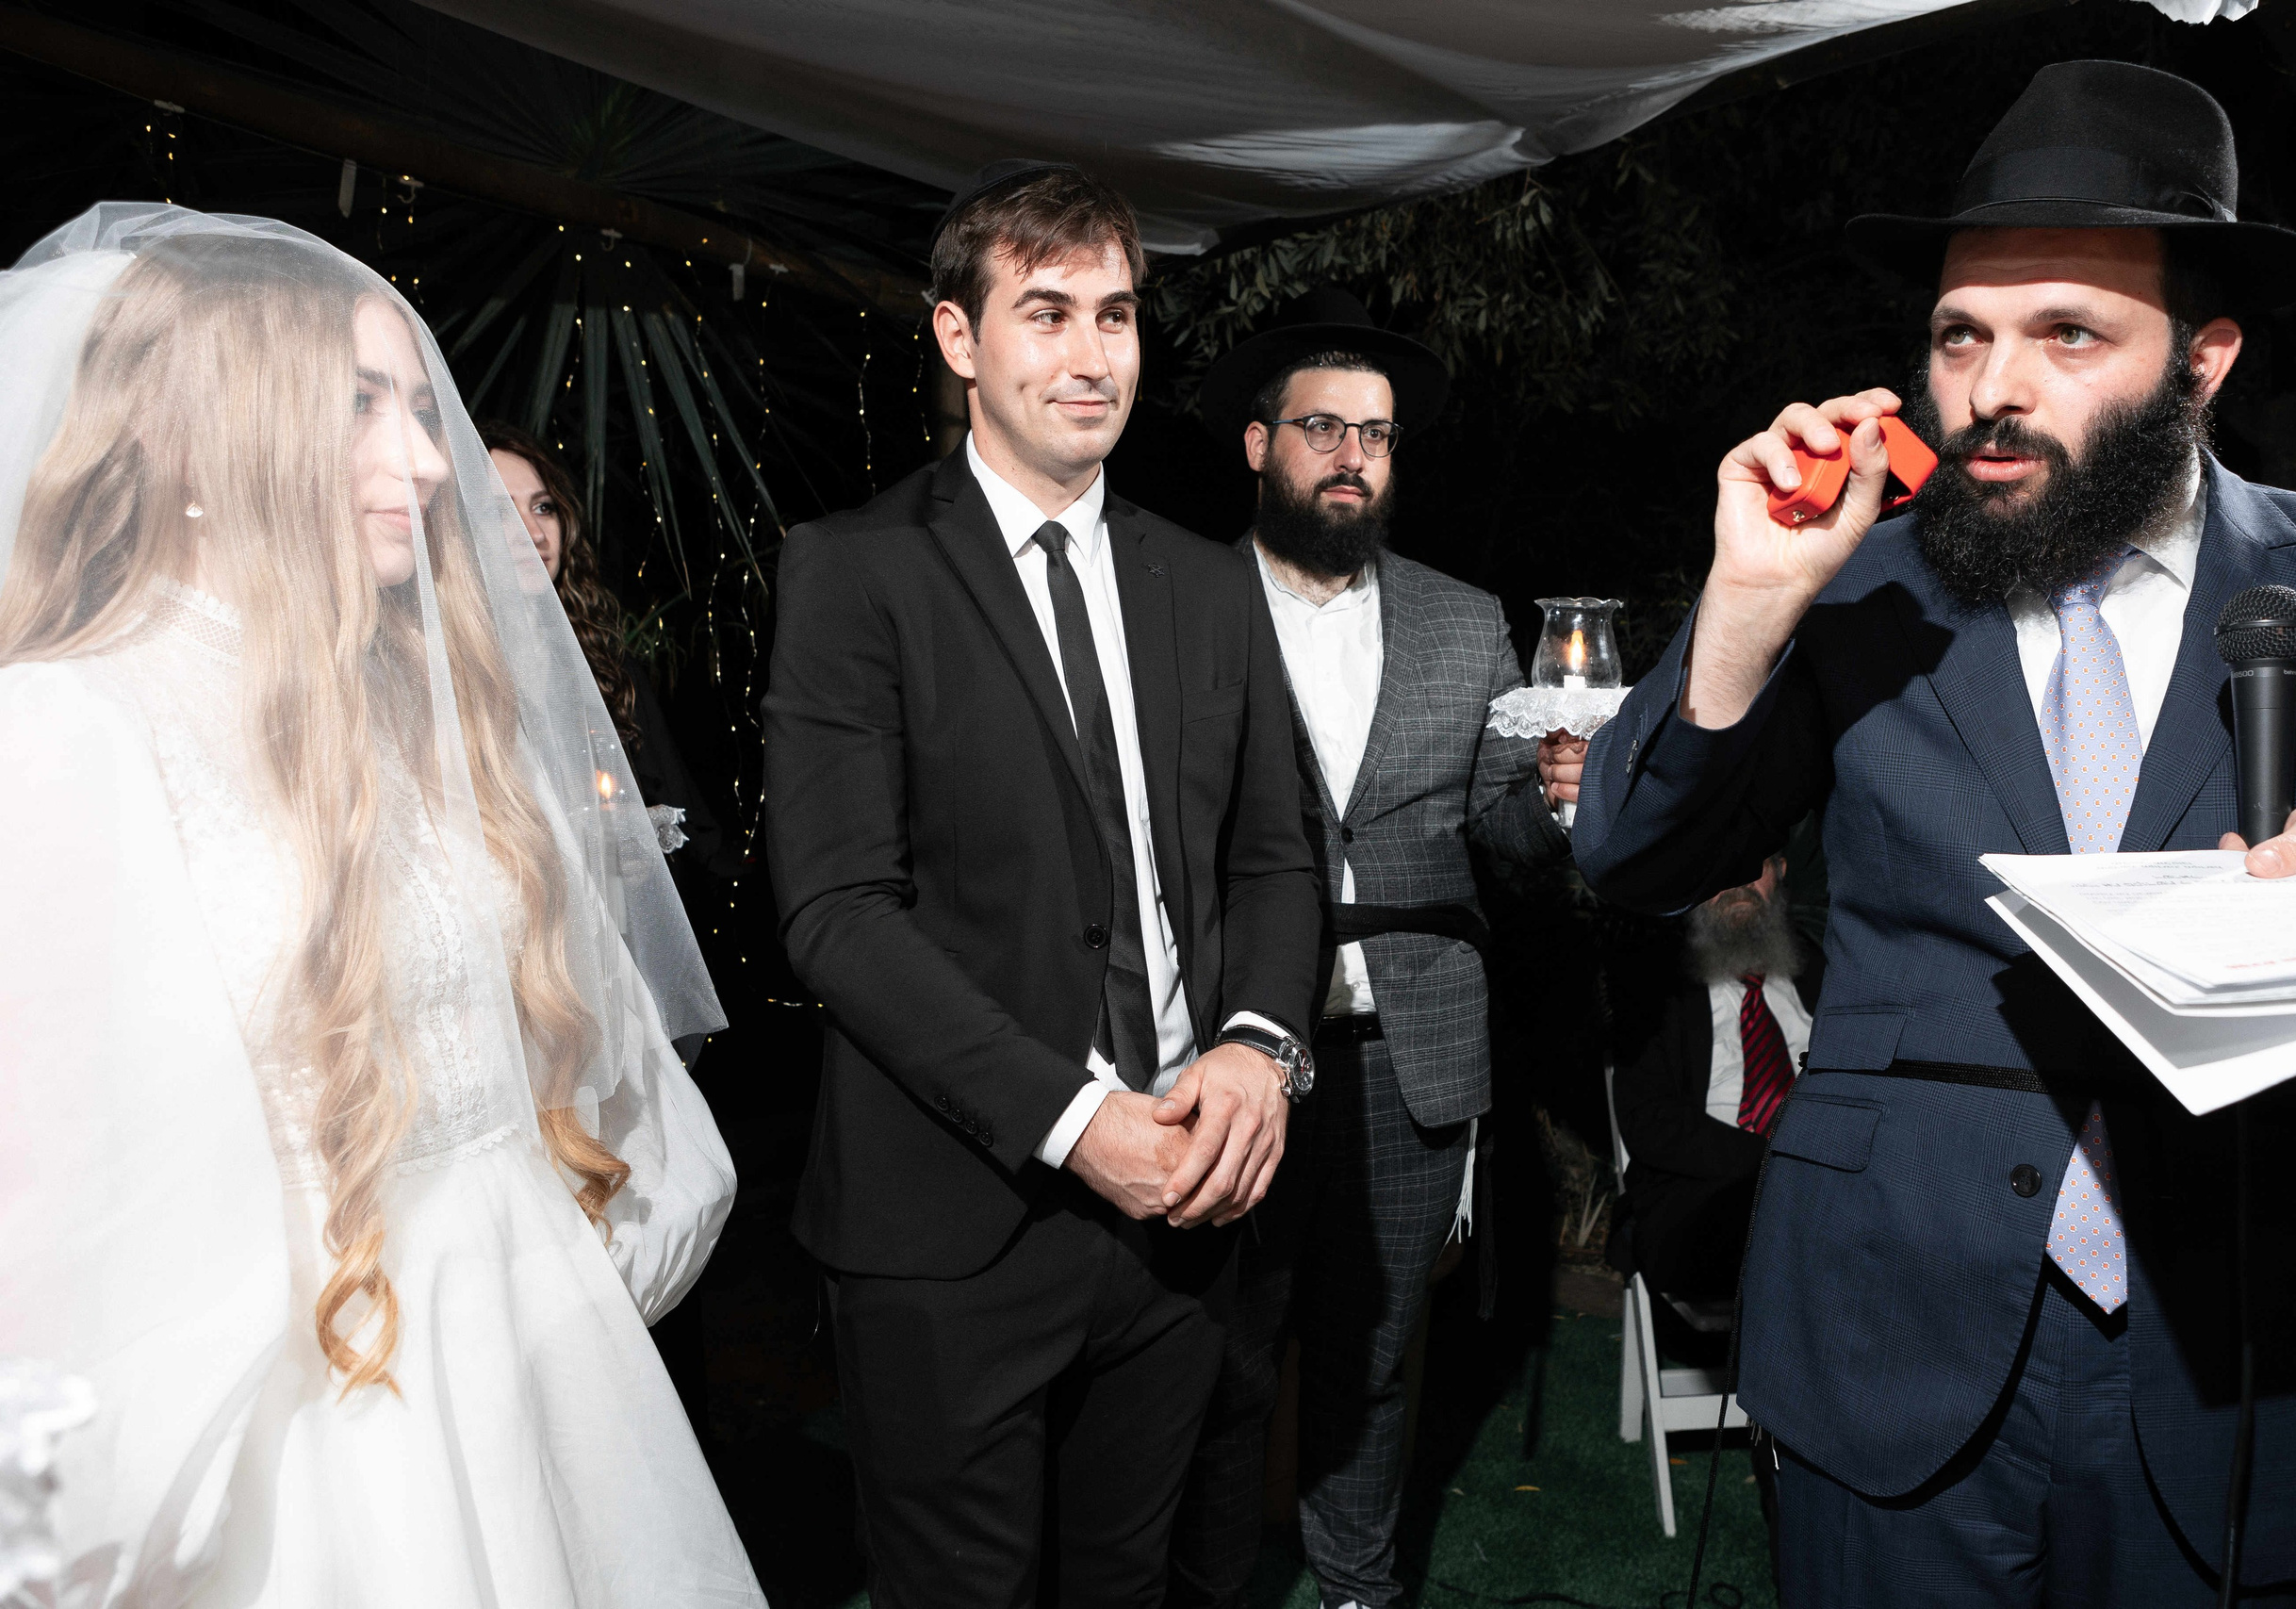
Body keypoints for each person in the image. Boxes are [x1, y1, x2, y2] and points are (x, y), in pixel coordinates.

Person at [1559, 60, 2296, 1605]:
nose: (1993, 386)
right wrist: (1747, 600)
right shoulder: (1852, 586)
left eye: (2068, 333)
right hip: (1895, 1327)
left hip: (2249, 1347)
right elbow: (1630, 854)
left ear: (2204, 359)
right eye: (1962, 334)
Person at [0, 205, 760, 1606]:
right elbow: (50, 1216)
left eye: (419, 408)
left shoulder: (423, 707)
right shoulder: (65, 728)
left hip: (538, 1386)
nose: (424, 459)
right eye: (361, 405)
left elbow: (585, 1064)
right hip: (311, 1448)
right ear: (199, 429)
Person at [761, 162, 1322, 1607]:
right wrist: (1075, 1120)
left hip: (1184, 1209)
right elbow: (837, 913)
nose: (1091, 355)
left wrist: (1257, 1049)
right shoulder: (854, 571)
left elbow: (1275, 853)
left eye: (1116, 315)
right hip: (954, 1225)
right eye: (1048, 312)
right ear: (959, 337)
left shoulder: (1211, 582)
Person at [1169, 288, 1571, 1609]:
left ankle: (1356, 1588)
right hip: (1229, 1049)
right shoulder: (1176, 605)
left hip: (1413, 1052)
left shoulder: (1465, 620)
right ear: (1259, 445)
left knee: (1376, 1353)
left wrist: (1560, 799)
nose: (1354, 456)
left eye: (1378, 435)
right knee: (1222, 1360)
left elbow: (1505, 838)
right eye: (1324, 428)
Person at [480, 421, 737, 883]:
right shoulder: (438, 668)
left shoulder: (603, 662)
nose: (534, 534)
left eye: (543, 507)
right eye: (501, 511)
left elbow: (685, 818)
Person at [1607, 853, 1821, 1314]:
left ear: (1781, 870)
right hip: (1705, 1196)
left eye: (1753, 862)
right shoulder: (1655, 987)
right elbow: (1648, 1119)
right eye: (1718, 868)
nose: (1737, 882)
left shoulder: (1825, 973)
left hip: (1825, 1186)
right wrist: (1772, 1164)